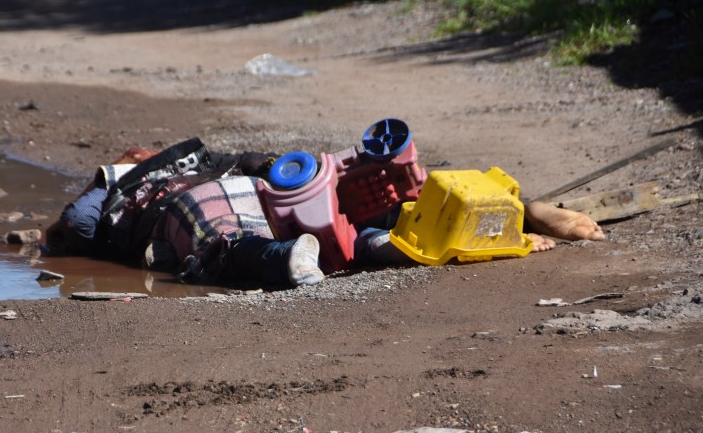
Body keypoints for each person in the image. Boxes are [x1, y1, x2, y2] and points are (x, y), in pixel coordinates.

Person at [45, 137, 605, 288]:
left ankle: (286, 258)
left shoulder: (127, 185)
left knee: (219, 240)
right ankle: (509, 209)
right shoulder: (202, 157)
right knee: (366, 198)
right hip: (271, 185)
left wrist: (50, 244)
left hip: (205, 205)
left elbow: (78, 225)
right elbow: (254, 160)